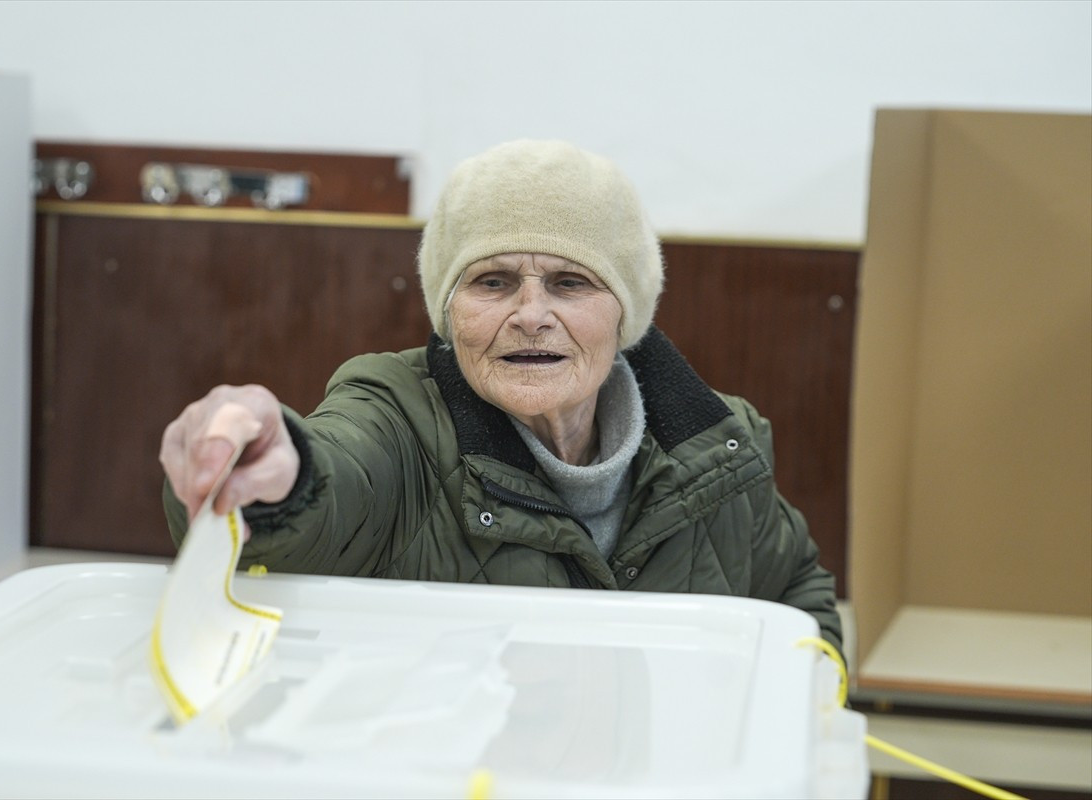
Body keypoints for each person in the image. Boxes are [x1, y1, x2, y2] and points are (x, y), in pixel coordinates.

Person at [159, 139, 842, 652]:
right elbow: (335, 480)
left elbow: (794, 596)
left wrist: (804, 714)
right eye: (493, 282)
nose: (531, 315)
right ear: (448, 309)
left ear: (625, 313)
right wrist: (275, 479)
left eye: (570, 283)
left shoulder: (718, 445)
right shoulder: (397, 417)